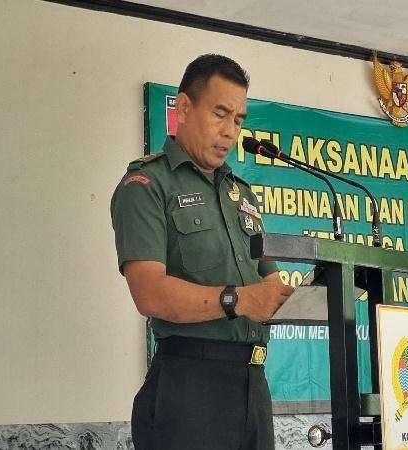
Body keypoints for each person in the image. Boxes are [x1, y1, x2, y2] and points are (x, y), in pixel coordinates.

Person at [111, 54, 294, 450]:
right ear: (183, 108)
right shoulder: (146, 185)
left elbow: (270, 284)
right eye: (220, 114)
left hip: (253, 386)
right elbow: (149, 293)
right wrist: (239, 300)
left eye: (239, 120)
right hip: (189, 389)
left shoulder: (241, 195)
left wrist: (310, 297)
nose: (230, 132)